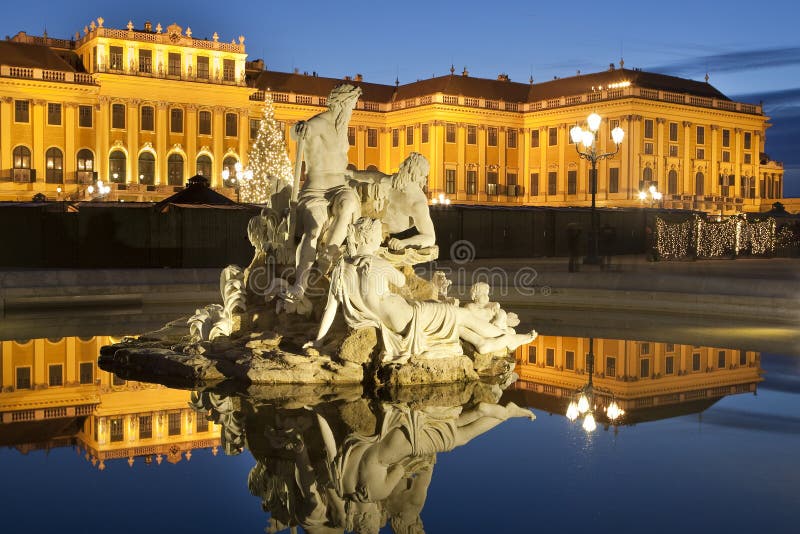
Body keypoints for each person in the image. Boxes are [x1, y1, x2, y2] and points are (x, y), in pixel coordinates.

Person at [309, 218, 536, 361]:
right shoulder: (376, 264)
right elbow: (399, 280)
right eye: (379, 236)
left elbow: (331, 308)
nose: (382, 239)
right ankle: (506, 338)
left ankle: (482, 342)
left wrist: (318, 340)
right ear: (369, 238)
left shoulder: (341, 268)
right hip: (409, 318)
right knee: (460, 314)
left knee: (450, 316)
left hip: (401, 317)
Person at [288, 84, 364, 299]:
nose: (352, 109)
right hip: (316, 190)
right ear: (341, 103)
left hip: (339, 186)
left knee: (349, 204)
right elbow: (298, 132)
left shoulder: (342, 127)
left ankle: (325, 259)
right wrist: (299, 128)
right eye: (351, 104)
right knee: (312, 230)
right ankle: (300, 284)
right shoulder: (319, 123)